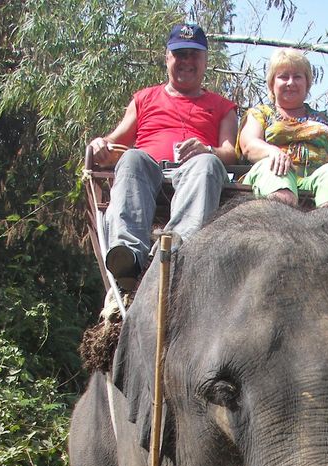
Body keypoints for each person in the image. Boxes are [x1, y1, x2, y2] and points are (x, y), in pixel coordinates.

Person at [88, 23, 238, 289]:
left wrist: (208, 150)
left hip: (193, 173)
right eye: (180, 54)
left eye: (194, 54)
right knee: (132, 158)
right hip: (149, 171)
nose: (187, 61)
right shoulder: (145, 99)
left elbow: (229, 151)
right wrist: (101, 144)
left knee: (207, 163)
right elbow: (114, 143)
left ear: (205, 61)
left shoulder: (222, 106)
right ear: (167, 57)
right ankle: (128, 255)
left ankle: (178, 250)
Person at [237, 47, 328, 210]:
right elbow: (249, 144)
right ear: (272, 83)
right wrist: (272, 152)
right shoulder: (260, 113)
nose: (290, 82)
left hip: (316, 182)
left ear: (307, 84)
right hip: (272, 178)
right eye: (283, 77)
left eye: (297, 77)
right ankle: (279, 223)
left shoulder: (326, 119)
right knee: (275, 171)